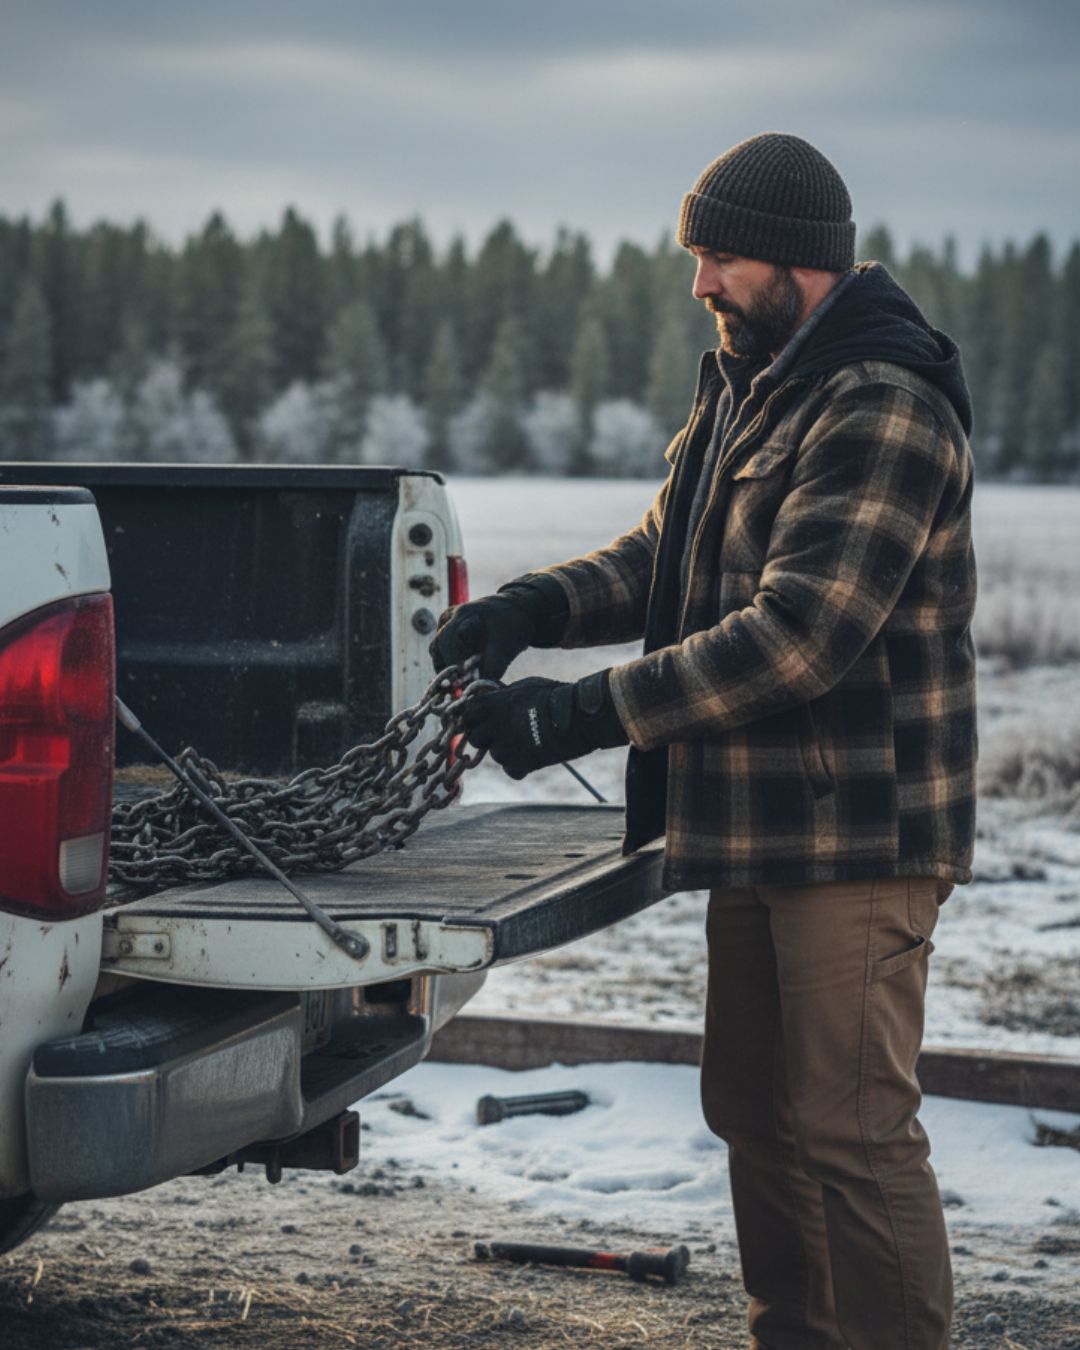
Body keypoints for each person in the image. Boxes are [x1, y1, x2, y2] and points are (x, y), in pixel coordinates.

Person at [431, 131, 976, 1350]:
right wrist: (533, 609)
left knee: (849, 1130)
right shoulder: (755, 380)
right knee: (756, 1111)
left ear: (795, 261)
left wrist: (581, 711)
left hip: (862, 831)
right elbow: (662, 558)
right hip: (759, 825)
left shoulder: (882, 402)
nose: (702, 285)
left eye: (719, 257)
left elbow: (797, 636)